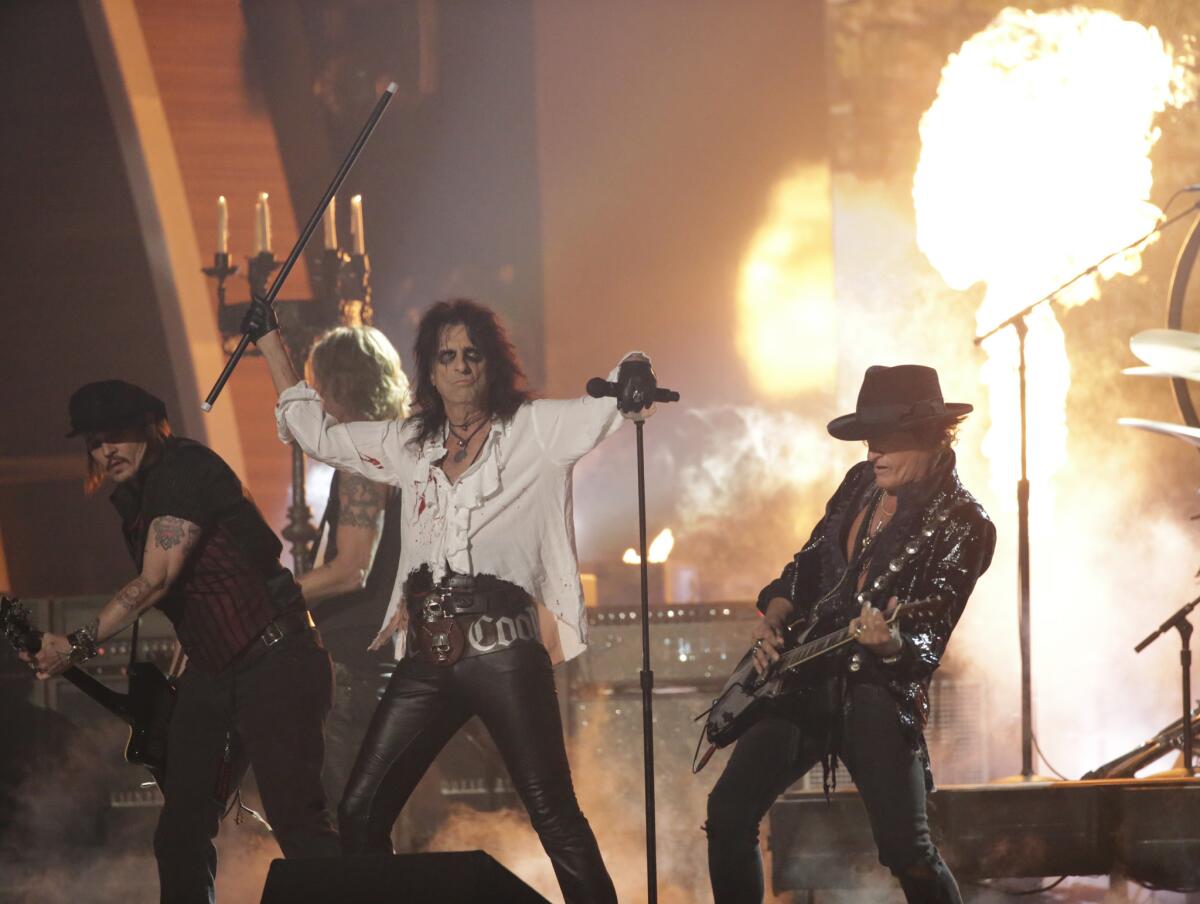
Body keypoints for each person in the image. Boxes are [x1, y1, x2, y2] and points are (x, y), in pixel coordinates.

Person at [246, 296, 656, 904]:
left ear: (491, 364)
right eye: (448, 356)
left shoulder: (536, 429)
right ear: (430, 372)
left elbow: (609, 398)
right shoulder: (411, 442)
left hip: (505, 648)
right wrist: (271, 344)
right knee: (360, 810)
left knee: (552, 812)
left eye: (472, 355)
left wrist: (635, 373)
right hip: (429, 654)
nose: (462, 367)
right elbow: (319, 434)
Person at [25, 380, 339, 904]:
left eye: (117, 436)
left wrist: (74, 643)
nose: (106, 451)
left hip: (276, 659)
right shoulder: (134, 495)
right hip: (216, 673)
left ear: (152, 425)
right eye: (95, 441)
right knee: (179, 834)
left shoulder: (184, 469)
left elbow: (156, 580)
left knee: (298, 824)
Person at [704, 365, 996, 904]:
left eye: (888, 441)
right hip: (804, 675)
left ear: (933, 438)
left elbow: (930, 633)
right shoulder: (860, 484)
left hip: (877, 693)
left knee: (908, 852)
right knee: (727, 813)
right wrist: (775, 614)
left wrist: (889, 642)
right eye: (868, 442)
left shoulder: (963, 524)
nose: (874, 453)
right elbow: (810, 561)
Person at [295, 326, 408, 812]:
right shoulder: (398, 448)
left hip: (354, 656)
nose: (315, 399)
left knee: (339, 808)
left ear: (340, 384)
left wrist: (267, 594)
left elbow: (350, 570)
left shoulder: (363, 461)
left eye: (317, 386)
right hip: (378, 651)